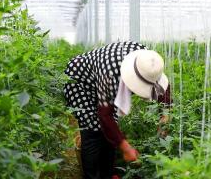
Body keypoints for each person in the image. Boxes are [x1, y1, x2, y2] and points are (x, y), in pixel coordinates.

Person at [64, 42, 172, 179]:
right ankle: (92, 175)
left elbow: (162, 85)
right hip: (80, 81)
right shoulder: (110, 73)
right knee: (93, 130)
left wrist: (165, 114)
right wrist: (126, 147)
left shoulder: (147, 61)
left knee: (110, 131)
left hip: (105, 78)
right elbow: (105, 116)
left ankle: (108, 174)